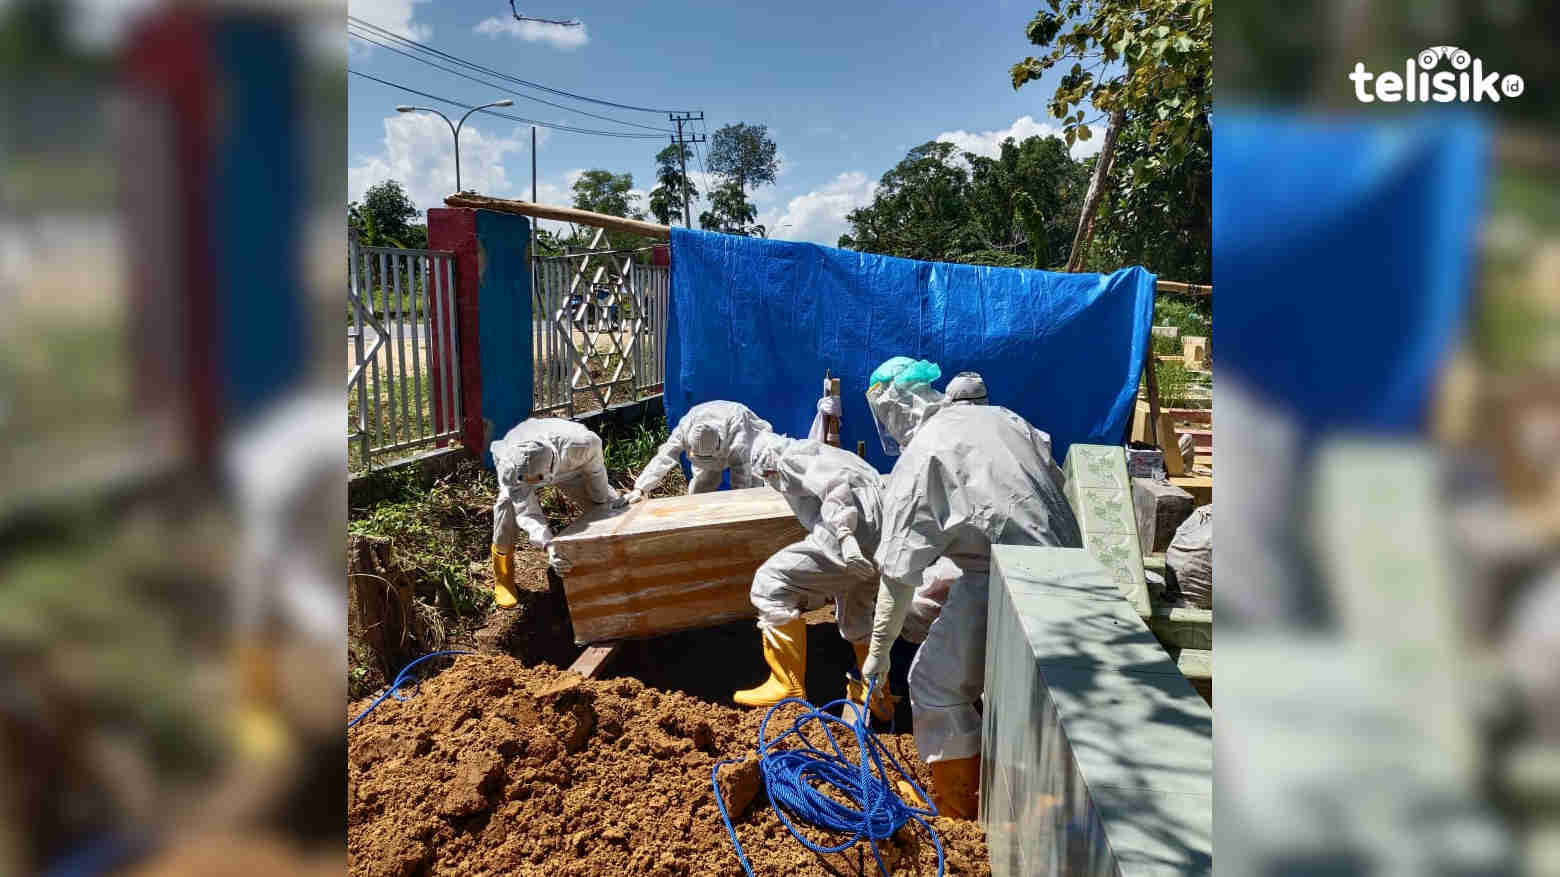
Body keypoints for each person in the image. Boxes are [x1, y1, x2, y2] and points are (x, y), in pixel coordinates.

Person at [859, 356, 1082, 820]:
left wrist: (876, 658)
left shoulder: (925, 452)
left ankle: (958, 814)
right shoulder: (1007, 420)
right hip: (1068, 567)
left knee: (933, 683)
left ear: (895, 409)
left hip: (1008, 577)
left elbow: (897, 576)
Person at [732, 432, 895, 721]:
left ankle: (786, 685)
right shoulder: (828, 453)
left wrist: (844, 535)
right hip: (880, 539)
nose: (771, 482)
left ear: (768, 467)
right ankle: (877, 695)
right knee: (856, 615)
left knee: (770, 582)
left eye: (768, 478)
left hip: (849, 537)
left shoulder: (785, 460)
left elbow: (836, 488)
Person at [490, 418, 625, 609]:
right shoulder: (510, 468)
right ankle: (503, 575)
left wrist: (602, 500)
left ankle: (615, 561)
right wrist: (549, 545)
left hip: (571, 467)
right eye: (530, 480)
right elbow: (528, 512)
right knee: (507, 510)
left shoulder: (582, 445)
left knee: (607, 507)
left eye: (537, 479)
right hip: (519, 470)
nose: (535, 483)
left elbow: (596, 473)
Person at [624, 401, 772, 501]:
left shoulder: (737, 431)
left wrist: (739, 505)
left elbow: (741, 469)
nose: (710, 463)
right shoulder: (684, 429)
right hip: (716, 445)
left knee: (753, 487)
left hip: (751, 445)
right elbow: (664, 457)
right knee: (702, 486)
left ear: (720, 443)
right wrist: (640, 488)